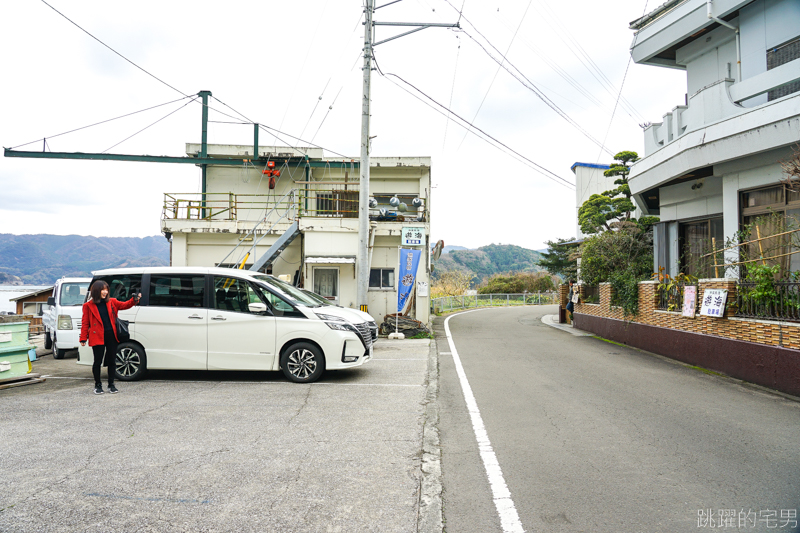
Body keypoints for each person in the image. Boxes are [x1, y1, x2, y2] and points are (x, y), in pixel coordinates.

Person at [80, 281, 141, 395]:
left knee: (112, 361)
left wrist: (134, 300)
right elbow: (85, 323)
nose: (105, 292)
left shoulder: (112, 301)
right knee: (97, 362)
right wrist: (83, 338)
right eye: (103, 290)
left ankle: (111, 385)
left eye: (106, 289)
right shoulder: (88, 306)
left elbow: (125, 305)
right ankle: (98, 385)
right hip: (97, 335)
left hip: (111, 335)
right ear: (96, 291)